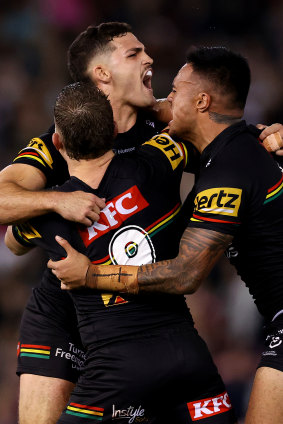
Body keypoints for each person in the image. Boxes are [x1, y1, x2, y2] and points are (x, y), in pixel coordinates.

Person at [48, 47, 283, 424]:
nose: (166, 100)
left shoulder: (229, 171)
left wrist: (92, 276)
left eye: (174, 91)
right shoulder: (230, 150)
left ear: (202, 101)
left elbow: (186, 275)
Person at [6, 81, 238, 423]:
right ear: (115, 130)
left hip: (116, 372)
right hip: (187, 356)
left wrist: (52, 203)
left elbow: (13, 240)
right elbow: (214, 137)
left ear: (57, 143)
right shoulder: (160, 159)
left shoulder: (47, 218)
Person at [1, 22, 174, 424]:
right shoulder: (59, 141)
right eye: (134, 54)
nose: (149, 59)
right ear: (102, 74)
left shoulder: (168, 123)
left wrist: (264, 135)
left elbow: (227, 137)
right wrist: (58, 201)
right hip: (64, 312)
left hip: (140, 311)